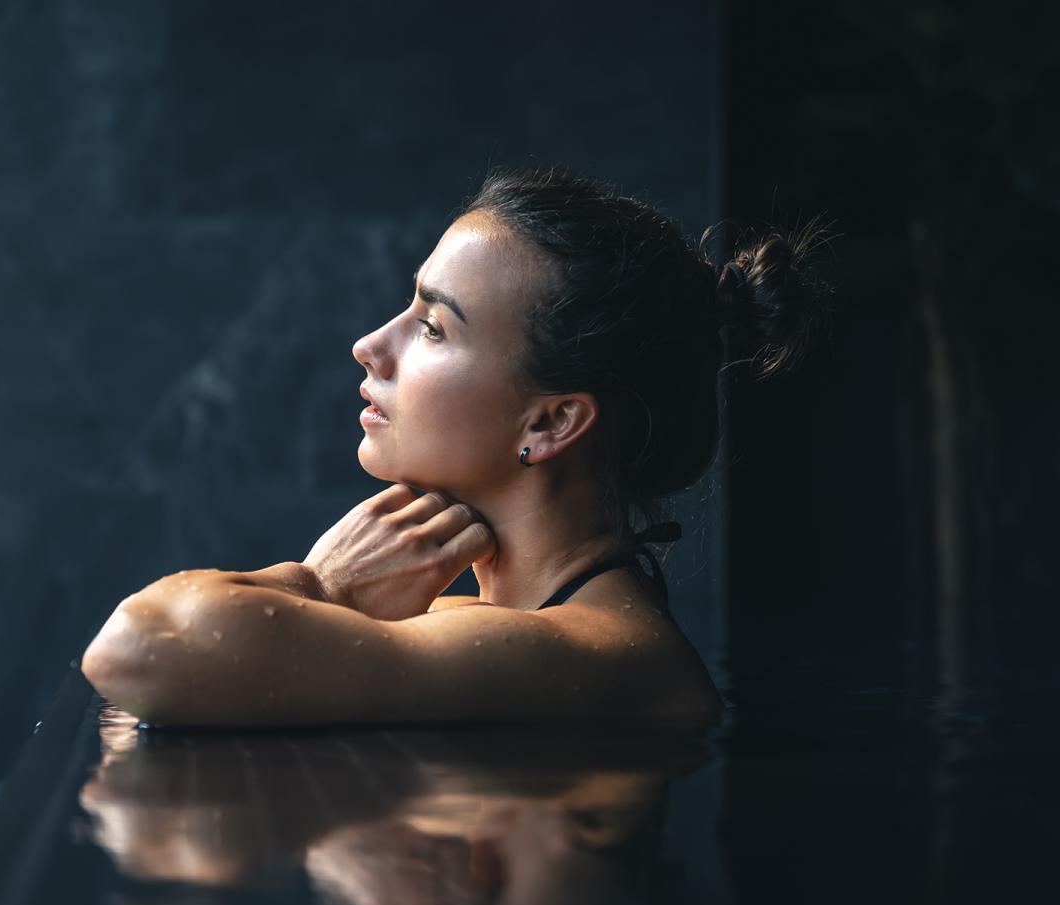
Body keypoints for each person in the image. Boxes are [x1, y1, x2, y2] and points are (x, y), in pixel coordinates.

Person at [82, 164, 831, 727]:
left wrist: (319, 587)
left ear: (551, 423)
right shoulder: (482, 627)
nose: (370, 345)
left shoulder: (584, 653)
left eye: (433, 327)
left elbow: (138, 649)